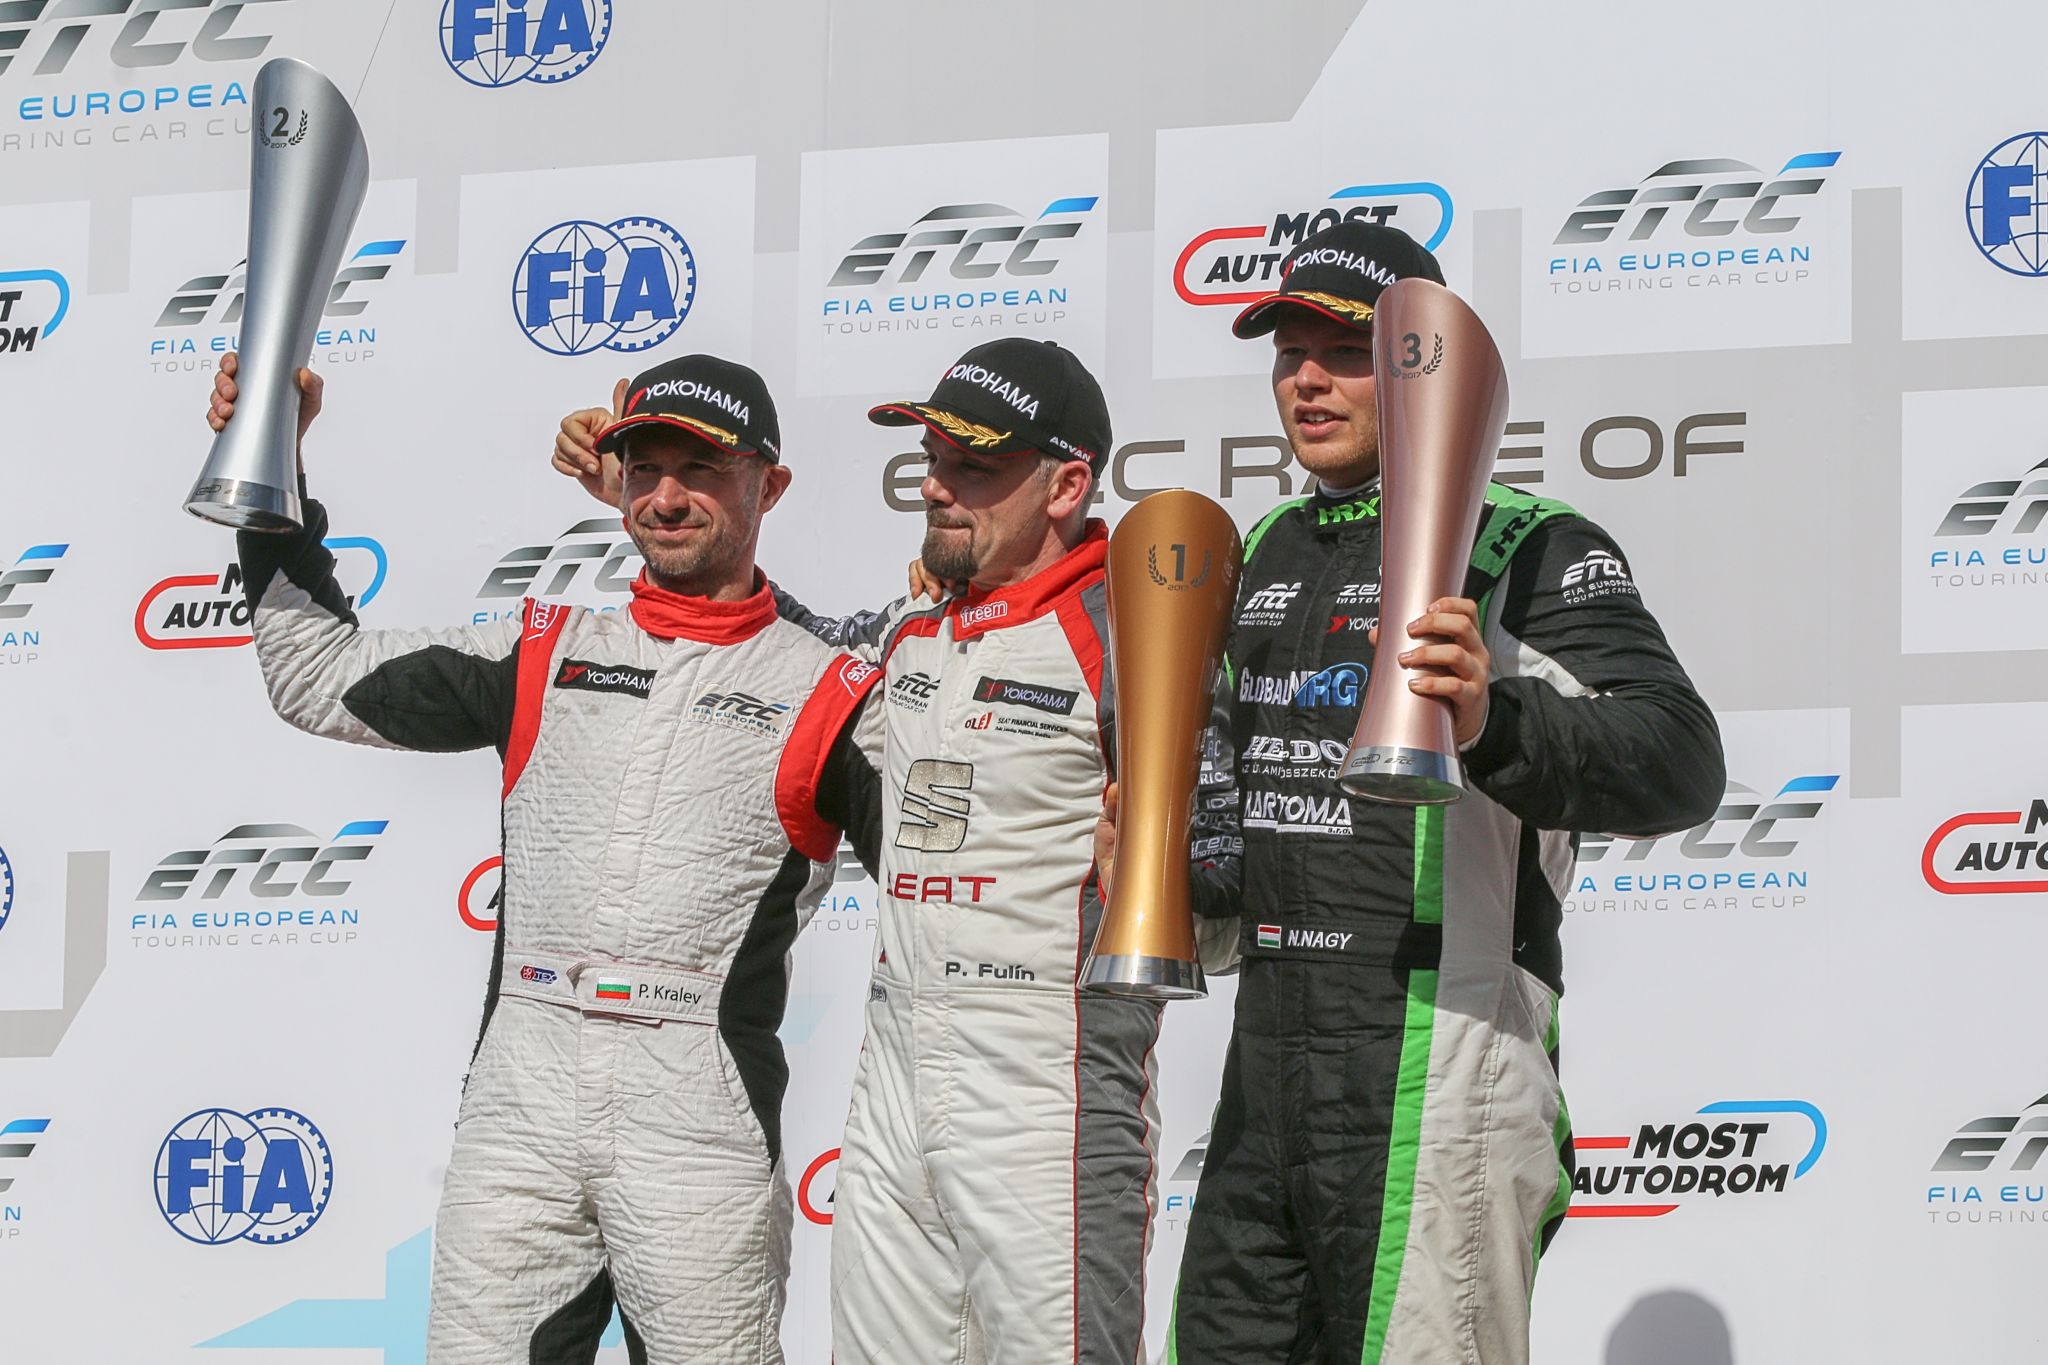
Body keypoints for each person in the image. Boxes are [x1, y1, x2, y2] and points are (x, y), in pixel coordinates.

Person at [553, 337, 1229, 1364]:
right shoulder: (914, 623)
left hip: (1046, 1088)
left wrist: (1160, 872)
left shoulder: (1136, 632)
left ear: (1066, 485)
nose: (937, 487)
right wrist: (658, 501)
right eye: (933, 459)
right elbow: (777, 645)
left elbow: (1222, 909)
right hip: (892, 1080)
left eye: (976, 466)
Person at [209, 350, 884, 1365]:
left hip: (697, 1119)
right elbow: (313, 673)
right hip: (519, 1106)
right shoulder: (541, 649)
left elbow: (958, 872)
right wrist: (271, 468)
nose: (666, 497)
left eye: (701, 470)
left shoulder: (831, 689)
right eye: (645, 468)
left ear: (769, 485)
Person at [1154, 222, 1727, 1364]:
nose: (1307, 380)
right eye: (1289, 352)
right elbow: (1242, 815)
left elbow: (1679, 757)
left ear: (1425, 369)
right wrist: (1166, 863)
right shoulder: (1267, 546)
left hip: (1441, 1051)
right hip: (1266, 1060)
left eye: (1345, 352)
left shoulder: (1523, 543)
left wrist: (1490, 720)